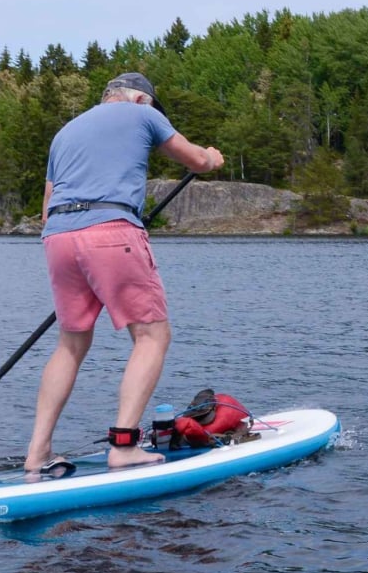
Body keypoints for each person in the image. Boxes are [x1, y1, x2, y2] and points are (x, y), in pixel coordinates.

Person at [24, 72, 224, 471]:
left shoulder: (65, 132)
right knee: (152, 336)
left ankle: (37, 453)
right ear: (139, 100)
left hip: (58, 237)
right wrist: (212, 158)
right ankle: (124, 446)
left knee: (70, 344)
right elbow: (196, 160)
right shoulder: (142, 115)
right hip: (111, 232)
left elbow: (47, 207)